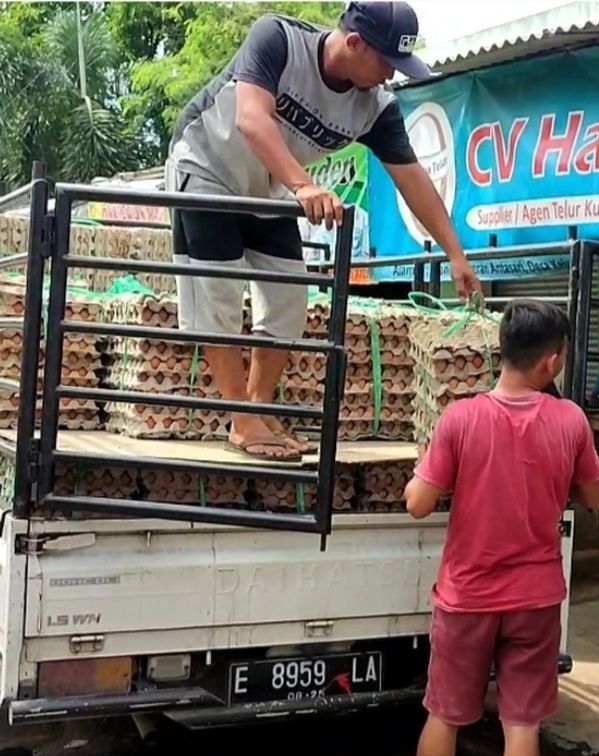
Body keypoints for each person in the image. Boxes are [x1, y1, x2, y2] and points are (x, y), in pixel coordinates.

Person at [167, 2, 481, 461]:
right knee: (217, 295)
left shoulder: (376, 107)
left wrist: (456, 253)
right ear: (354, 43)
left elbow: (413, 178)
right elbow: (251, 118)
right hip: (209, 165)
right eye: (386, 63)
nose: (391, 77)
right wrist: (303, 184)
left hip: (270, 187)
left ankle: (258, 407)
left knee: (290, 298)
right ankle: (241, 419)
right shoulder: (277, 39)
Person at [403, 299, 599, 756]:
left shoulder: (461, 418)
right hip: (534, 599)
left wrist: (421, 478)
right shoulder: (571, 421)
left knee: (444, 717)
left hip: (466, 596)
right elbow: (596, 497)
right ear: (552, 361)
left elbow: (418, 505)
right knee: (521, 726)